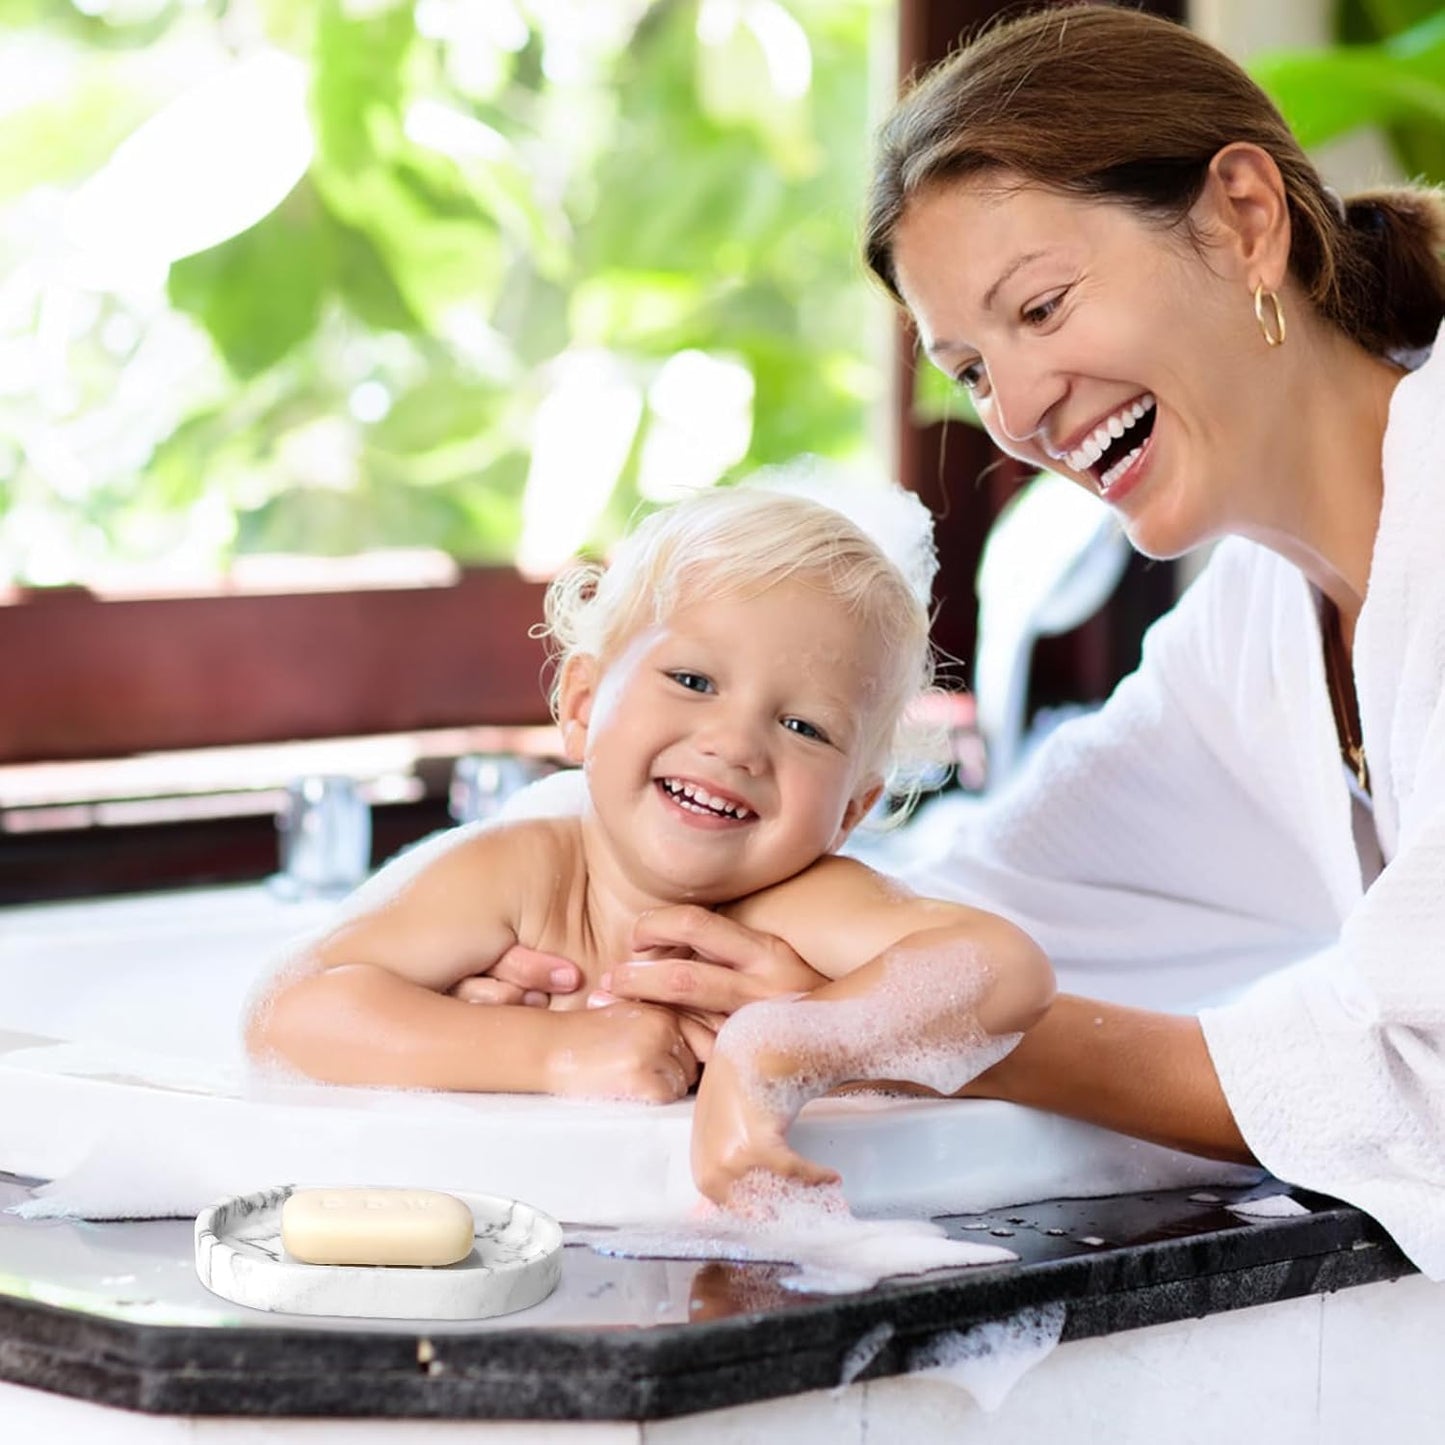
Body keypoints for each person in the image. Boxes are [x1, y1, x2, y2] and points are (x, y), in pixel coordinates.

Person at [478, 5, 1445, 1277]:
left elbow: (1411, 1065)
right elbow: (998, 892)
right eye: (973, 369)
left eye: (1039, 307)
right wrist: (617, 943)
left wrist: (848, 1027)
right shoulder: (1259, 622)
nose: (1022, 411)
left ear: (1241, 219)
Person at [245, 486, 1053, 1202]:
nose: (736, 744)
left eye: (804, 726)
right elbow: (286, 1009)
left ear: (850, 810)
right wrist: (554, 1052)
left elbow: (1005, 966)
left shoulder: (794, 903)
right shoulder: (522, 872)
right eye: (693, 681)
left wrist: (791, 1038)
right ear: (584, 702)